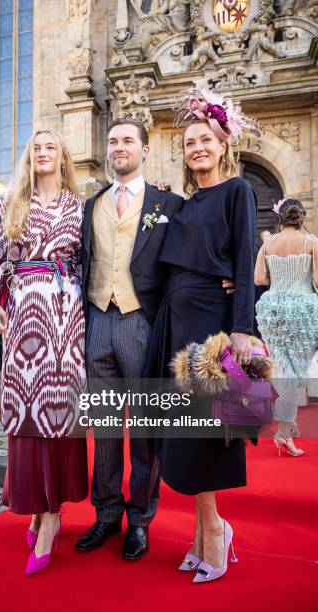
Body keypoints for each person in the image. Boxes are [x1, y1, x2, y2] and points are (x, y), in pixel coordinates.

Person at [76, 116, 233, 560]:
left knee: (146, 429)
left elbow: (200, 250)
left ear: (146, 150)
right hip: (97, 324)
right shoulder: (92, 205)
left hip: (145, 322)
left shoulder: (171, 202)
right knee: (105, 429)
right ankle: (105, 514)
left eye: (127, 140)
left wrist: (229, 280)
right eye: (112, 140)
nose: (118, 146)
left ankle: (140, 519)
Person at [144, 87, 259, 583]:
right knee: (182, 436)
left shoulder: (239, 192)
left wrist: (241, 328)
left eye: (205, 140)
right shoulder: (181, 203)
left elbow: (242, 262)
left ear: (222, 144)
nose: (197, 148)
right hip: (175, 323)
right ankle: (201, 534)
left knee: (206, 434)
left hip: (212, 330)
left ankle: (216, 532)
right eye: (190, 142)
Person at [0, 129, 88, 576]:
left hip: (66, 317)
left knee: (58, 409)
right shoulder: (10, 204)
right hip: (24, 311)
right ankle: (38, 508)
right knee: (25, 408)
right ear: (29, 158)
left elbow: (93, 263)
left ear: (63, 158)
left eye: (51, 147)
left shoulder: (79, 208)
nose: (43, 153)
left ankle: (52, 515)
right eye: (36, 148)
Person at [255, 198, 318, 456]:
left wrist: (276, 277)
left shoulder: (268, 244)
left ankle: (285, 430)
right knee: (296, 371)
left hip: (273, 309)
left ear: (279, 219)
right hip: (303, 309)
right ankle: (283, 431)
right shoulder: (311, 242)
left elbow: (259, 278)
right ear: (301, 218)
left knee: (282, 367)